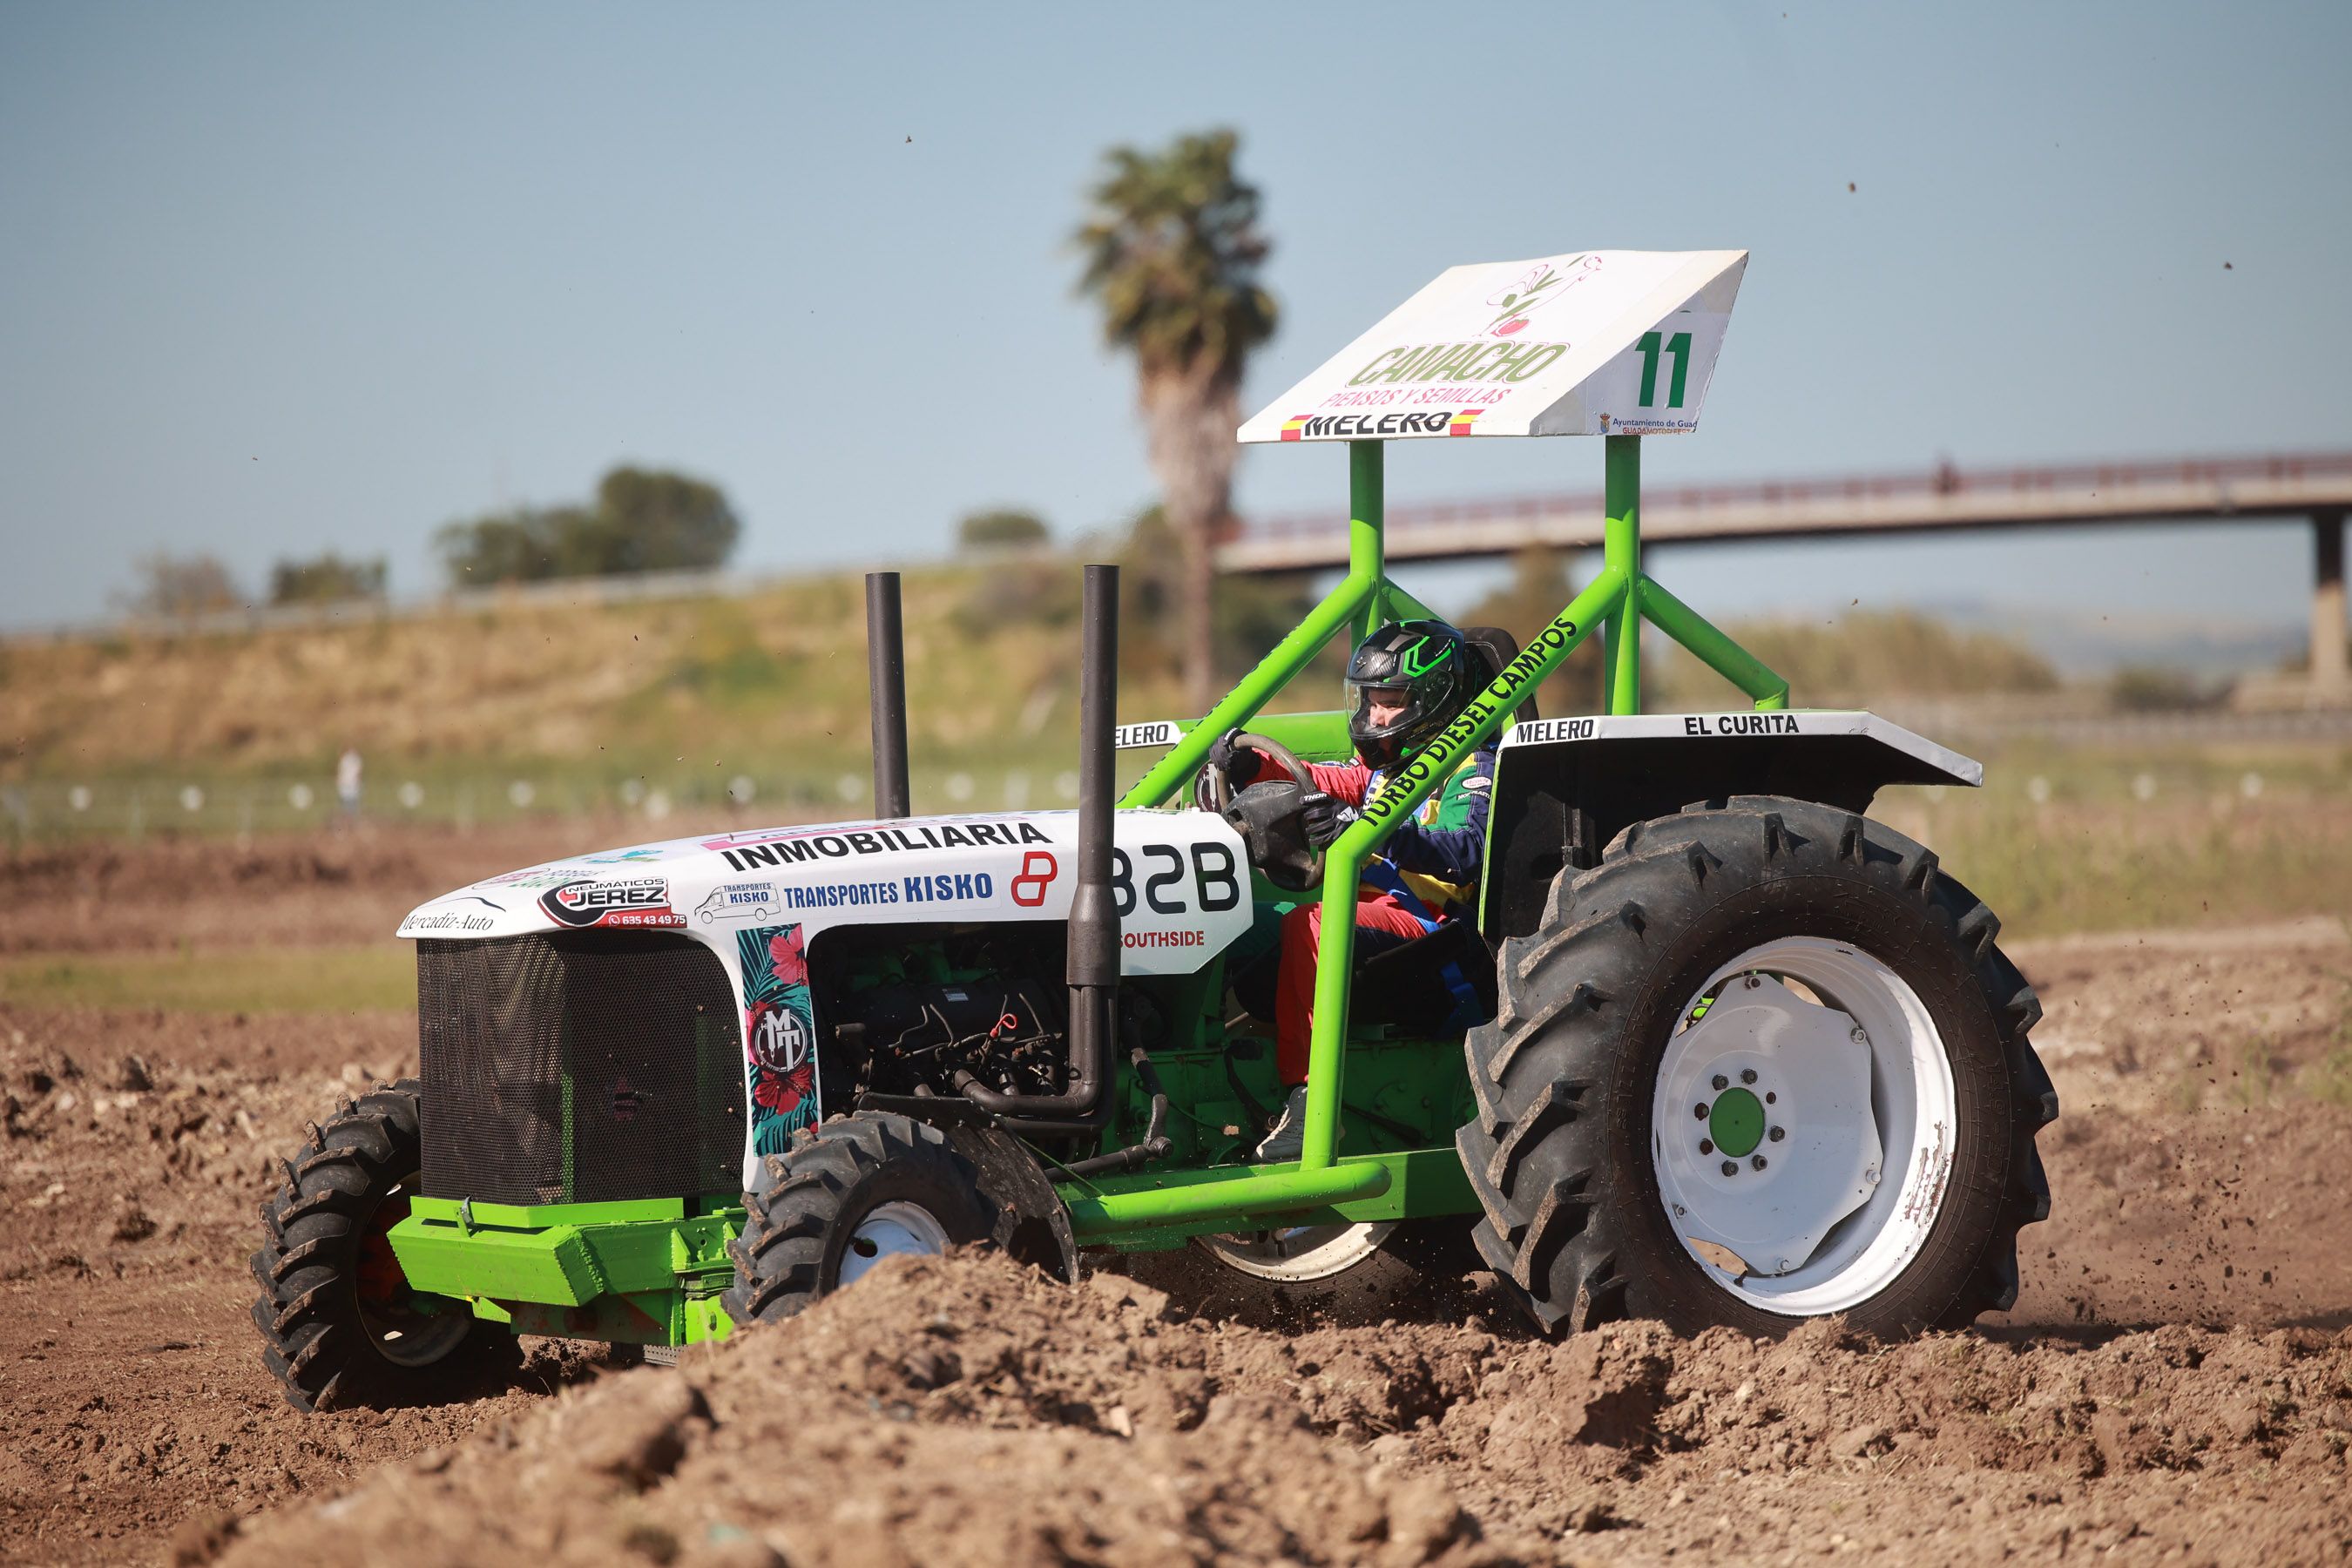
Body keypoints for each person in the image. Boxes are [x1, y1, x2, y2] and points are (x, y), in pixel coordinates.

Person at [1212, 618, 1496, 1162]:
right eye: (1369, 701)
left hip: (1432, 929)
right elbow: (1316, 781)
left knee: (1310, 924)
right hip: (1372, 912)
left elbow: (1467, 854)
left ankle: (1313, 1102)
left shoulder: (1469, 765)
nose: (1374, 716)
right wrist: (1251, 766)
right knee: (1238, 921)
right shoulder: (1388, 771)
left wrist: (1374, 832)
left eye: (1390, 701)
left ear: (1431, 700)